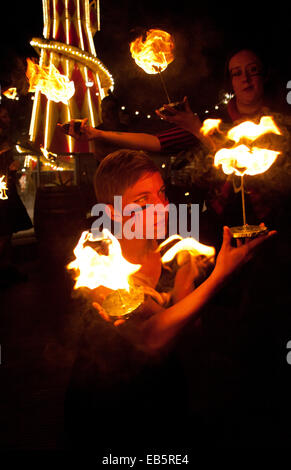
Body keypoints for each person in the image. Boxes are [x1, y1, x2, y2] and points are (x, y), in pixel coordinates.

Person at [64, 149, 275, 452]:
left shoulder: (168, 253)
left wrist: (184, 282)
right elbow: (148, 340)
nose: (163, 208)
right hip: (109, 413)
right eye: (144, 201)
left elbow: (191, 332)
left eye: (162, 194)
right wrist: (219, 276)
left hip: (163, 399)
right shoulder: (96, 261)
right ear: (112, 212)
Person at [0, 105, 32, 287]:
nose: (8, 119)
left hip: (7, 189)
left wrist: (11, 168)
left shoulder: (6, 138)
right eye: (3, 116)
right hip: (1, 193)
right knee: (3, 233)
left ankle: (6, 268)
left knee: (8, 231)